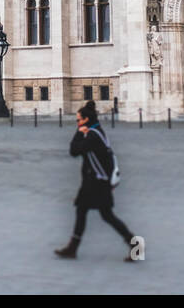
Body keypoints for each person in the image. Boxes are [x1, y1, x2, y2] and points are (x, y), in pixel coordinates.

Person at [55, 100, 139, 261]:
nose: (77, 122)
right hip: (94, 180)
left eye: (78, 119)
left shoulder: (92, 136)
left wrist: (79, 132)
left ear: (86, 120)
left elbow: (74, 150)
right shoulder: (96, 131)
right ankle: (73, 247)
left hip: (97, 182)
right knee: (84, 211)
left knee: (106, 215)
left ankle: (135, 245)